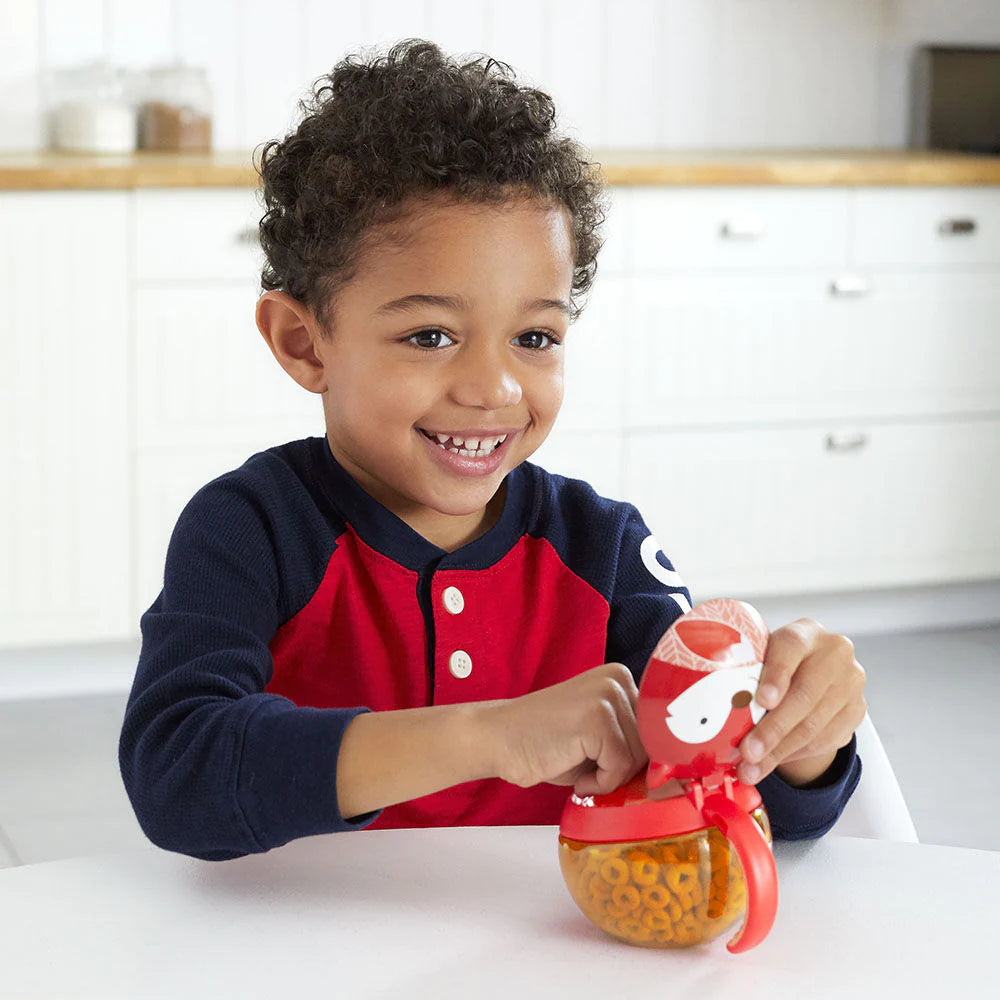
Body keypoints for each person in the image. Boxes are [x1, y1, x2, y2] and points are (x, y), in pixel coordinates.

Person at [119, 39, 864, 861]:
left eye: (534, 337)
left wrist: (801, 735)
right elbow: (177, 774)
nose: (494, 388)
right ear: (304, 342)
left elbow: (740, 797)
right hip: (292, 931)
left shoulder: (602, 547)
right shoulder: (250, 528)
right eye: (430, 335)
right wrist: (488, 736)